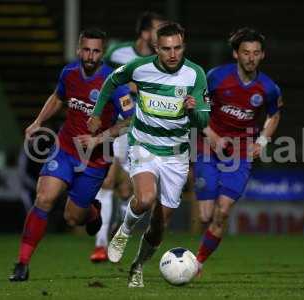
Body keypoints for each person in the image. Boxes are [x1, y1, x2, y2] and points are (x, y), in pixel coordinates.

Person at [87, 22, 210, 287]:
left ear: (183, 45)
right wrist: (97, 113)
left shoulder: (195, 74)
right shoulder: (140, 67)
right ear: (157, 48)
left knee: (159, 224)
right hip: (143, 145)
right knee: (144, 200)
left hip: (176, 155)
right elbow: (110, 81)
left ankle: (137, 266)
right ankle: (124, 230)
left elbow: (203, 121)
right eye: (166, 49)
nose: (173, 54)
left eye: (177, 47)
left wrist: (193, 110)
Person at [9, 28, 135, 281]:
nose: (90, 56)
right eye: (86, 50)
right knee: (44, 198)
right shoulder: (69, 73)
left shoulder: (114, 82)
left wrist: (98, 138)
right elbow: (58, 98)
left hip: (97, 159)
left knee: (73, 218)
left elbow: (130, 121)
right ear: (79, 50)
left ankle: (93, 213)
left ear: (102, 53)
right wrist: (38, 122)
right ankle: (22, 263)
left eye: (96, 51)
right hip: (66, 149)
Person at [194, 27, 283, 274]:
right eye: (246, 52)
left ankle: (197, 261)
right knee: (205, 215)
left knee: (222, 212)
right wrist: (211, 135)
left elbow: (274, 116)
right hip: (208, 149)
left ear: (262, 55)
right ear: (236, 54)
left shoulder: (268, 88)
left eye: (256, 53)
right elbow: (195, 107)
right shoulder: (215, 78)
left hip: (241, 154)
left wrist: (262, 142)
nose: (251, 57)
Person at [90, 11, 166, 263]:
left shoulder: (164, 59)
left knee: (128, 190)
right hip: (117, 125)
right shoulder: (117, 53)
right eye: (158, 29)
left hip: (144, 129)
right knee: (108, 181)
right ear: (145, 33)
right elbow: (102, 79)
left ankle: (116, 230)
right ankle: (100, 244)